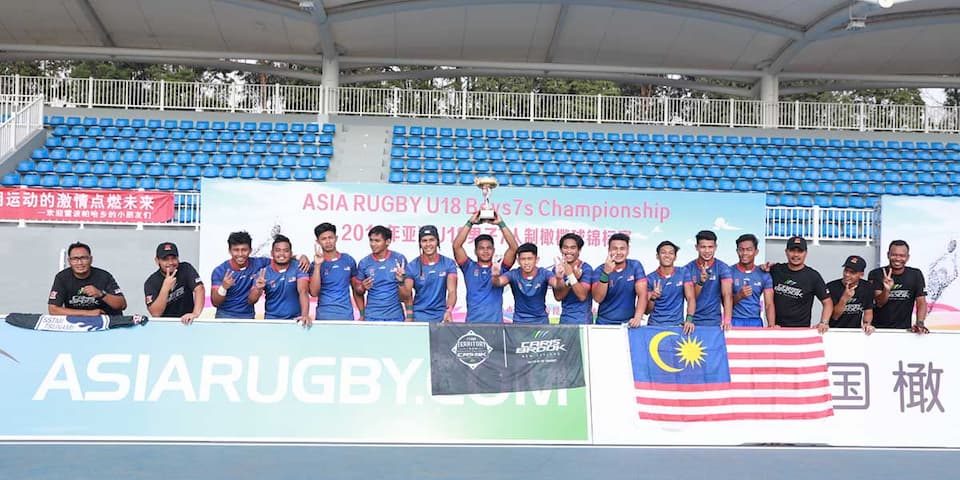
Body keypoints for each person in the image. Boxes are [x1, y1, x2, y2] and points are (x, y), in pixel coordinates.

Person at [211, 231, 308, 319]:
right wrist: (224, 287)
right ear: (229, 250)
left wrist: (301, 257)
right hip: (224, 315)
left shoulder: (260, 264)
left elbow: (280, 258)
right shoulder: (220, 271)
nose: (240, 254)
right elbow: (215, 302)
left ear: (250, 250)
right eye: (236, 250)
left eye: (244, 250)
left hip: (248, 316)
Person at [452, 211, 519, 323]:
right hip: (473, 325)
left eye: (489, 248)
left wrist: (501, 224)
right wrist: (470, 223)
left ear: (493, 250)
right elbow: (456, 246)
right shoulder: (468, 267)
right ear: (475, 251)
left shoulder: (500, 268)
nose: (485, 251)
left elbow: (514, 248)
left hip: (496, 326)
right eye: (481, 248)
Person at [768, 236, 832, 333]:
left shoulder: (813, 276)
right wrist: (762, 267)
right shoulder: (775, 270)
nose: (796, 255)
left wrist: (824, 322)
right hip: (777, 329)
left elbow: (827, 302)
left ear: (806, 253)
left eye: (800, 251)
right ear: (786, 251)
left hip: (801, 332)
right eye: (792, 250)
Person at [491, 243, 566, 324]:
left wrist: (559, 278)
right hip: (519, 322)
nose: (526, 262)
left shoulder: (544, 273)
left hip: (541, 321)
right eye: (523, 259)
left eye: (529, 259)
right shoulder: (513, 274)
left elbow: (558, 285)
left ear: (536, 260)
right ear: (518, 261)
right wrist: (495, 275)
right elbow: (498, 283)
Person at [48, 241, 126, 316]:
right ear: (69, 261)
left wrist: (101, 294)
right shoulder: (62, 277)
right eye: (75, 259)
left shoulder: (104, 276)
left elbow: (122, 305)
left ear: (91, 259)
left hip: (107, 321)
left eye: (84, 258)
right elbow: (53, 309)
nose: (80, 263)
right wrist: (88, 313)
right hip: (76, 322)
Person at [399, 225, 458, 322]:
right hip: (418, 317)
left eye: (431, 240)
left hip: (441, 317)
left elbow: (452, 291)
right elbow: (405, 296)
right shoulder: (412, 266)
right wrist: (400, 282)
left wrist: (449, 311)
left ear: (437, 241)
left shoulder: (448, 263)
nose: (428, 244)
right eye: (424, 241)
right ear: (420, 244)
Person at [248, 235, 310, 324]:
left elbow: (303, 291)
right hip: (272, 321)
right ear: (272, 253)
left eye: (286, 251)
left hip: (296, 320)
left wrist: (305, 315)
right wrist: (258, 288)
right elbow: (251, 300)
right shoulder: (263, 273)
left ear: (291, 253)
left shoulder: (299, 267)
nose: (281, 254)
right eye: (278, 250)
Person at [868, 240, 928, 333]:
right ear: (888, 255)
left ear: (907, 257)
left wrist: (920, 323)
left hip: (905, 331)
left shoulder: (916, 274)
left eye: (902, 256)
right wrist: (887, 290)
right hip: (878, 330)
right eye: (894, 255)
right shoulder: (876, 274)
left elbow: (921, 302)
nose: (897, 259)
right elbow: (879, 302)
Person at [309, 223, 362, 321]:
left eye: (330, 237)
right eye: (323, 239)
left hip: (346, 316)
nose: (328, 241)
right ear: (318, 242)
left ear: (336, 238)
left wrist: (362, 313)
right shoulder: (314, 264)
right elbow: (314, 293)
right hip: (324, 317)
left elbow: (356, 290)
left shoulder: (348, 260)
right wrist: (317, 266)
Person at [592, 233, 647, 327]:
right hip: (604, 324)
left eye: (622, 249)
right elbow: (598, 298)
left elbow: (642, 294)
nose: (618, 252)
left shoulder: (635, 266)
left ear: (628, 250)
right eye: (614, 248)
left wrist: (638, 317)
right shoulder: (599, 270)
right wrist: (606, 273)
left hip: (628, 324)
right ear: (609, 250)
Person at [356, 225, 409, 322]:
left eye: (377, 241)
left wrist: (409, 316)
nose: (373, 244)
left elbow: (407, 292)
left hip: (395, 316)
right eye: (371, 240)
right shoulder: (364, 262)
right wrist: (363, 287)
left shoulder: (399, 259)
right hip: (372, 316)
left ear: (388, 242)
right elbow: (358, 291)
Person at [683, 230, 734, 332]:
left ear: (715, 247)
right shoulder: (687, 269)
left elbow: (727, 294)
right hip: (692, 323)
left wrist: (727, 320)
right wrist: (700, 282)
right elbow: (690, 298)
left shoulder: (722, 267)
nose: (707, 251)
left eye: (710, 247)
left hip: (714, 322)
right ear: (696, 247)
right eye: (703, 247)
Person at [143, 242, 204, 324]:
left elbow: (199, 289)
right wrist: (165, 288)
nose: (170, 262)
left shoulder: (185, 268)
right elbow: (155, 313)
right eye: (165, 259)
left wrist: (195, 313)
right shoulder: (151, 282)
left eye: (173, 258)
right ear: (157, 261)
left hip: (187, 322)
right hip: (165, 325)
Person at [645, 240, 696, 331]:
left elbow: (691, 298)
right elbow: (646, 311)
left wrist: (689, 320)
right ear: (657, 256)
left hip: (677, 326)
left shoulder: (683, 272)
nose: (667, 255)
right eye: (663, 252)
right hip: (654, 326)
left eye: (671, 253)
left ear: (675, 257)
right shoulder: (650, 278)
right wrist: (653, 298)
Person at [730, 233, 775, 328]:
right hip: (734, 320)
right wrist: (739, 296)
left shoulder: (764, 274)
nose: (745, 253)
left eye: (749, 250)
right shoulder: (729, 272)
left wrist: (771, 325)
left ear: (756, 251)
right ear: (737, 251)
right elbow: (725, 303)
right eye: (741, 250)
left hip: (755, 321)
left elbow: (769, 304)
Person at [827, 255, 875, 334]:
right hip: (834, 331)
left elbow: (868, 310)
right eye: (846, 270)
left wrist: (867, 324)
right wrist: (844, 299)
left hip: (855, 332)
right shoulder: (832, 287)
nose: (847, 274)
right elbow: (835, 316)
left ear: (861, 274)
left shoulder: (867, 287)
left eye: (852, 272)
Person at [555, 233, 594, 324]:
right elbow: (558, 296)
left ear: (579, 250)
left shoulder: (586, 268)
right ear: (561, 249)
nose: (568, 251)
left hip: (583, 320)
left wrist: (570, 274)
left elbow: (582, 296)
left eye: (573, 248)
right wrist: (571, 279)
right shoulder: (557, 269)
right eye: (565, 247)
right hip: (565, 320)